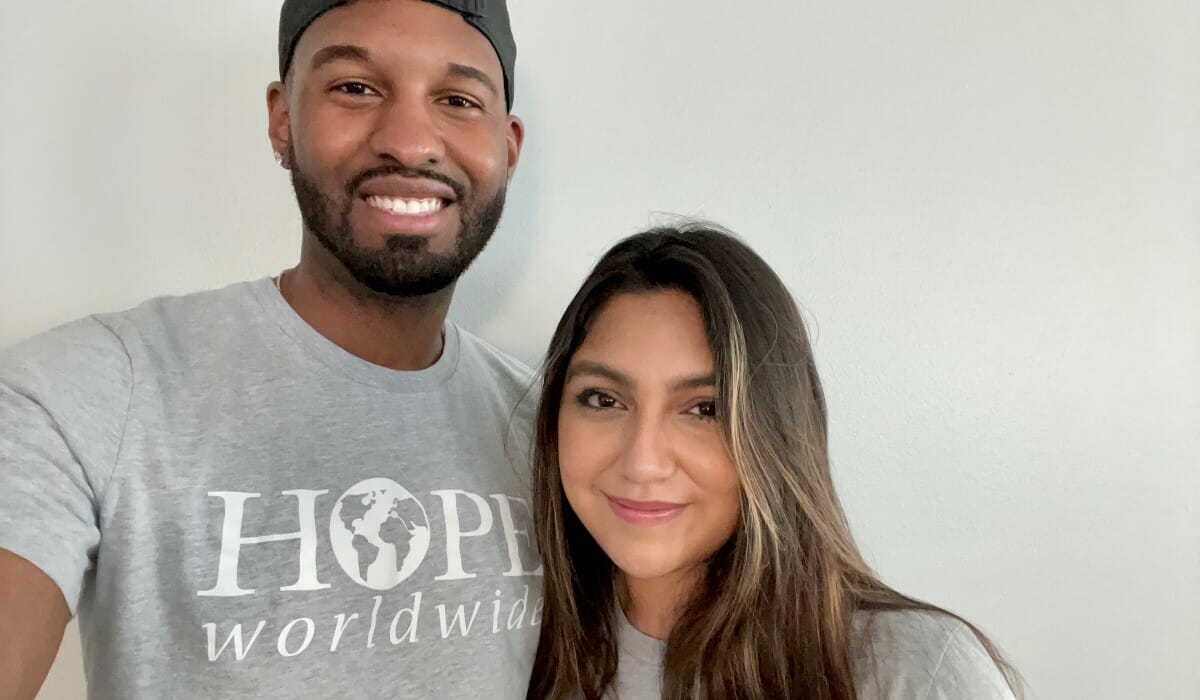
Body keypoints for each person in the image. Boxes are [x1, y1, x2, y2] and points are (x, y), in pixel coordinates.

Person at [0, 1, 542, 698]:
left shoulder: (555, 428)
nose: (410, 142)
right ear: (283, 119)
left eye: (459, 99)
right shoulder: (92, 390)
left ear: (509, 147)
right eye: (355, 87)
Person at [527, 222, 1022, 699]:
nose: (643, 462)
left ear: (777, 432)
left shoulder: (912, 671)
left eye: (706, 409)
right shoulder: (524, 651)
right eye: (603, 400)